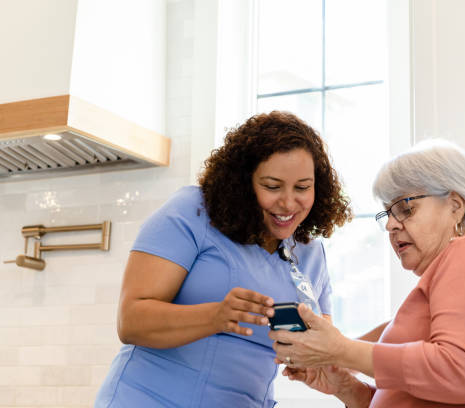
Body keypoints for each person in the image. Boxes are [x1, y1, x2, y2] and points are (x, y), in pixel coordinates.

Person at [94, 111, 352, 407]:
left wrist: (313, 358)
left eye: (302, 187)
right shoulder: (193, 212)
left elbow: (321, 343)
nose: (288, 202)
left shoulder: (310, 253)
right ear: (244, 183)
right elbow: (131, 321)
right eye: (271, 186)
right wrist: (215, 317)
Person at [269, 139, 465, 407]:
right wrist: (346, 387)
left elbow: (460, 372)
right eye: (387, 212)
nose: (389, 225)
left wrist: (341, 350)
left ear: (455, 206)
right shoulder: (448, 283)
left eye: (405, 208)